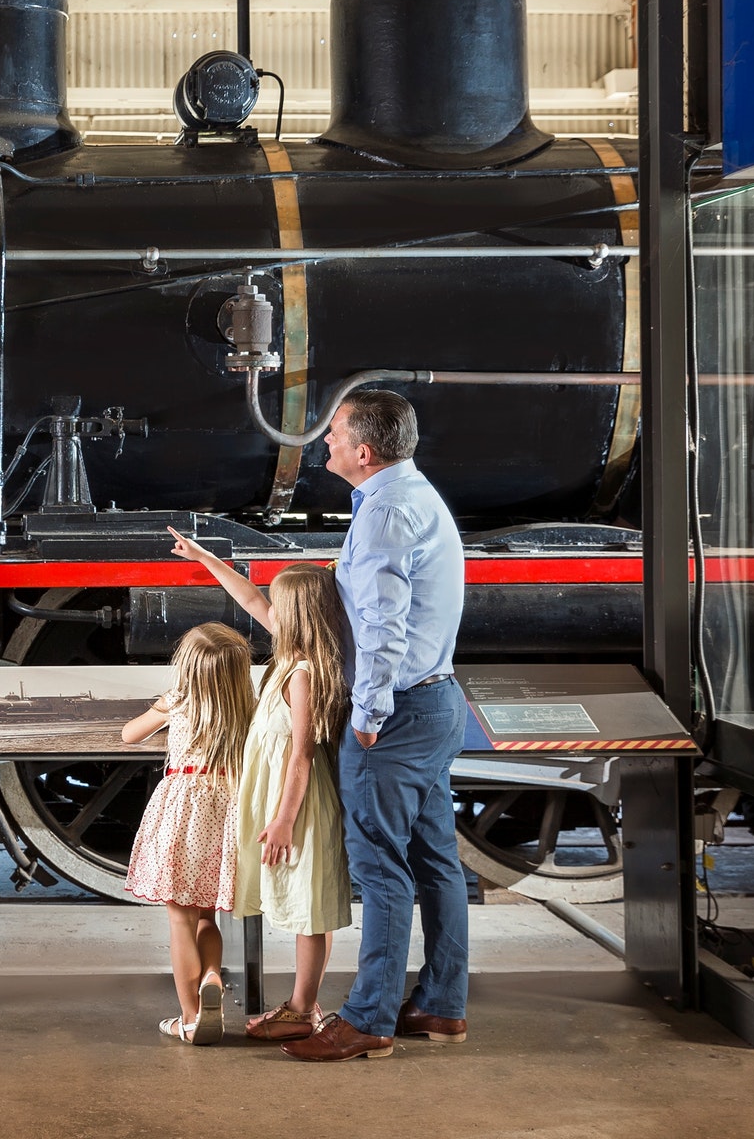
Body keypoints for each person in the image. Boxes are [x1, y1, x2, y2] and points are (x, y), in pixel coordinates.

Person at [282, 387, 470, 1064]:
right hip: (434, 701)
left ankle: (368, 1019)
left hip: (397, 717)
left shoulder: (386, 513)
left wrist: (367, 718)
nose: (324, 442)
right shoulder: (409, 494)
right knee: (435, 863)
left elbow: (383, 628)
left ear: (363, 451)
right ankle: (443, 1006)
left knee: (382, 870)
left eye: (333, 433)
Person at [163, 541, 353, 1040]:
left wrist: (285, 819)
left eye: (277, 601)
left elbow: (303, 753)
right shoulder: (291, 650)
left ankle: (302, 1009)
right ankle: (297, 1007)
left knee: (308, 906)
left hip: (296, 805)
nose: (266, 605)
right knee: (293, 899)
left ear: (295, 614)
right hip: (276, 801)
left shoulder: (305, 672)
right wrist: (206, 560)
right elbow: (248, 600)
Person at [120, 622, 255, 1045]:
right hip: (227, 812)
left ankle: (190, 1018)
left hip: (183, 814)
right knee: (206, 915)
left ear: (188, 667)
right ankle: (212, 974)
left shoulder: (175, 702)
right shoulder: (246, 708)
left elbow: (128, 735)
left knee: (179, 917)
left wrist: (161, 709)